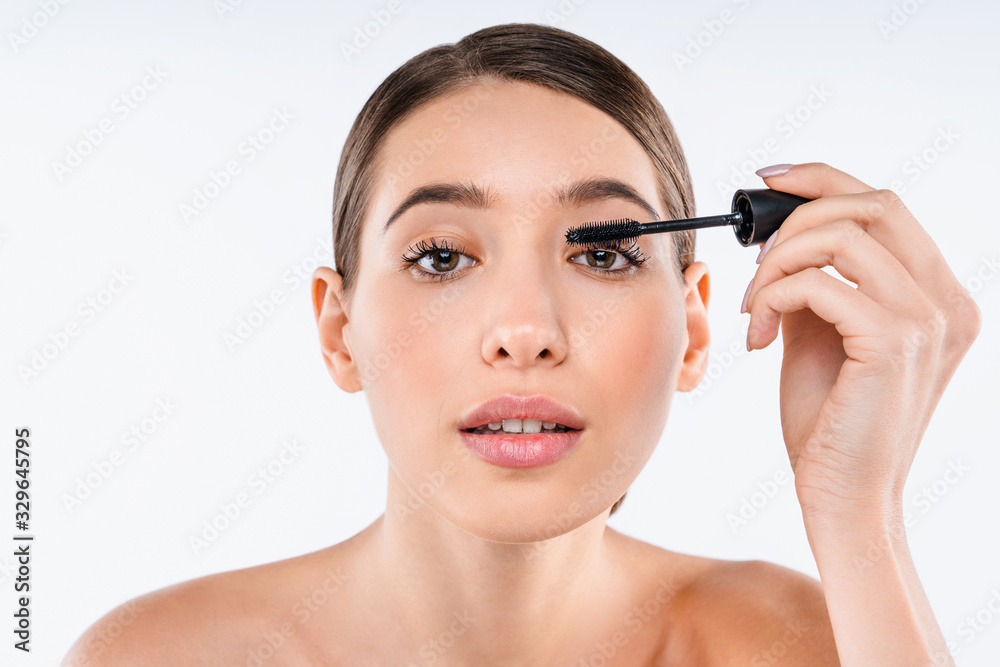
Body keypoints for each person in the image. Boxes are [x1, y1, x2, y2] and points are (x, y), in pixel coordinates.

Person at [64, 23, 980, 666]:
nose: (526, 333)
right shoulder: (156, 657)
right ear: (339, 332)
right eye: (440, 256)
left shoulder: (814, 646)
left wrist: (860, 517)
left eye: (610, 251)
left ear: (696, 327)